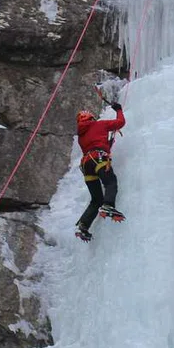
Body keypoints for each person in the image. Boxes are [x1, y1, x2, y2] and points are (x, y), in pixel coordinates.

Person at [75, 100, 126, 242]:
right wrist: (119, 110)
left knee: (96, 199)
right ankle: (108, 205)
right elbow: (120, 122)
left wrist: (107, 143)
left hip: (87, 165)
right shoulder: (99, 124)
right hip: (98, 159)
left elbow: (93, 141)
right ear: (91, 117)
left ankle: (83, 225)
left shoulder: (81, 136)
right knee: (111, 182)